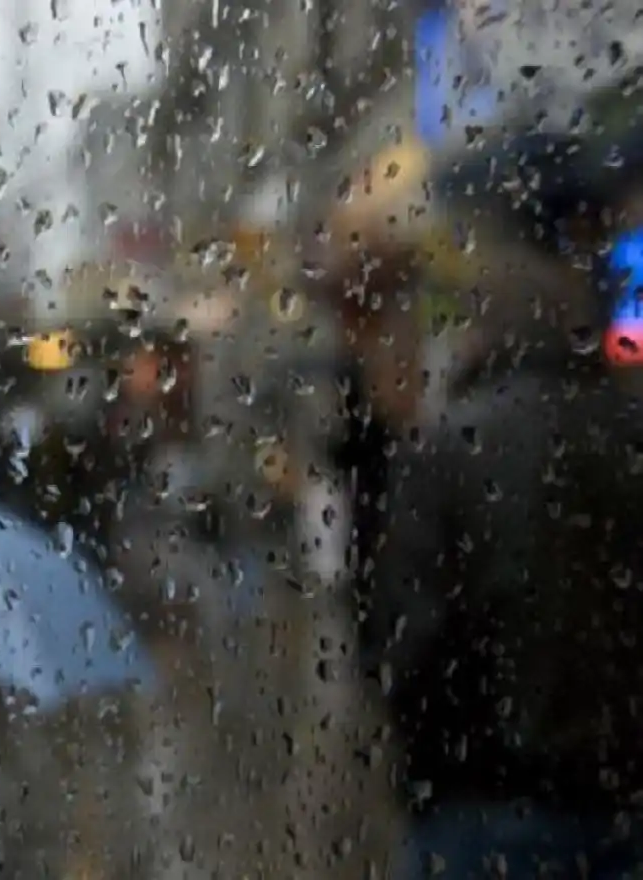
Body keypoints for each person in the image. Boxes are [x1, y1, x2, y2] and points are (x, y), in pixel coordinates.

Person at [312, 72, 643, 877]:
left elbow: (403, 643)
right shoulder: (625, 424)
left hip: (479, 818)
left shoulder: (453, 442)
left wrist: (430, 773)